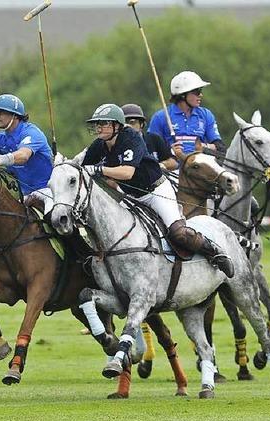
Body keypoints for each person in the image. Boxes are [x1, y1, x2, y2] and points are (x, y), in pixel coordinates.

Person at [80, 103, 234, 278]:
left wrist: (100, 170)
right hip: (131, 197)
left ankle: (216, 253)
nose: (98, 127)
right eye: (97, 124)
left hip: (156, 192)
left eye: (103, 123)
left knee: (178, 233)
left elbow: (127, 172)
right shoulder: (98, 146)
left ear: (117, 125)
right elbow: (82, 168)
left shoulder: (131, 137)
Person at [148, 71, 226, 157]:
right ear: (182, 95)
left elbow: (220, 148)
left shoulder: (206, 115)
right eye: (197, 92)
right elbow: (151, 148)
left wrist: (204, 147)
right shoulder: (160, 117)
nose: (201, 95)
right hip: (172, 167)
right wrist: (169, 151)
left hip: (199, 166)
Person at [121, 103, 177, 171]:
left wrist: (161, 165)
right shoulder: (114, 144)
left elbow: (173, 163)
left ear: (141, 124)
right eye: (123, 123)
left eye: (132, 122)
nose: (128, 126)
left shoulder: (154, 139)